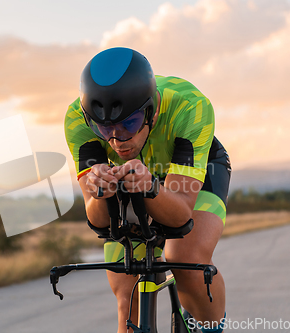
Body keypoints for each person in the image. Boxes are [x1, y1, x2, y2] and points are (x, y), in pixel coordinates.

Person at [64, 47, 231, 333]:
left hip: (192, 173)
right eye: (105, 130)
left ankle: (207, 324)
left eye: (128, 123)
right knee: (125, 287)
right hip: (130, 180)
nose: (117, 141)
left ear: (150, 111)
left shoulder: (190, 106)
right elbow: (99, 221)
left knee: (184, 256)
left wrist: (152, 186)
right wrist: (99, 192)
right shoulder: (78, 120)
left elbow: (179, 216)